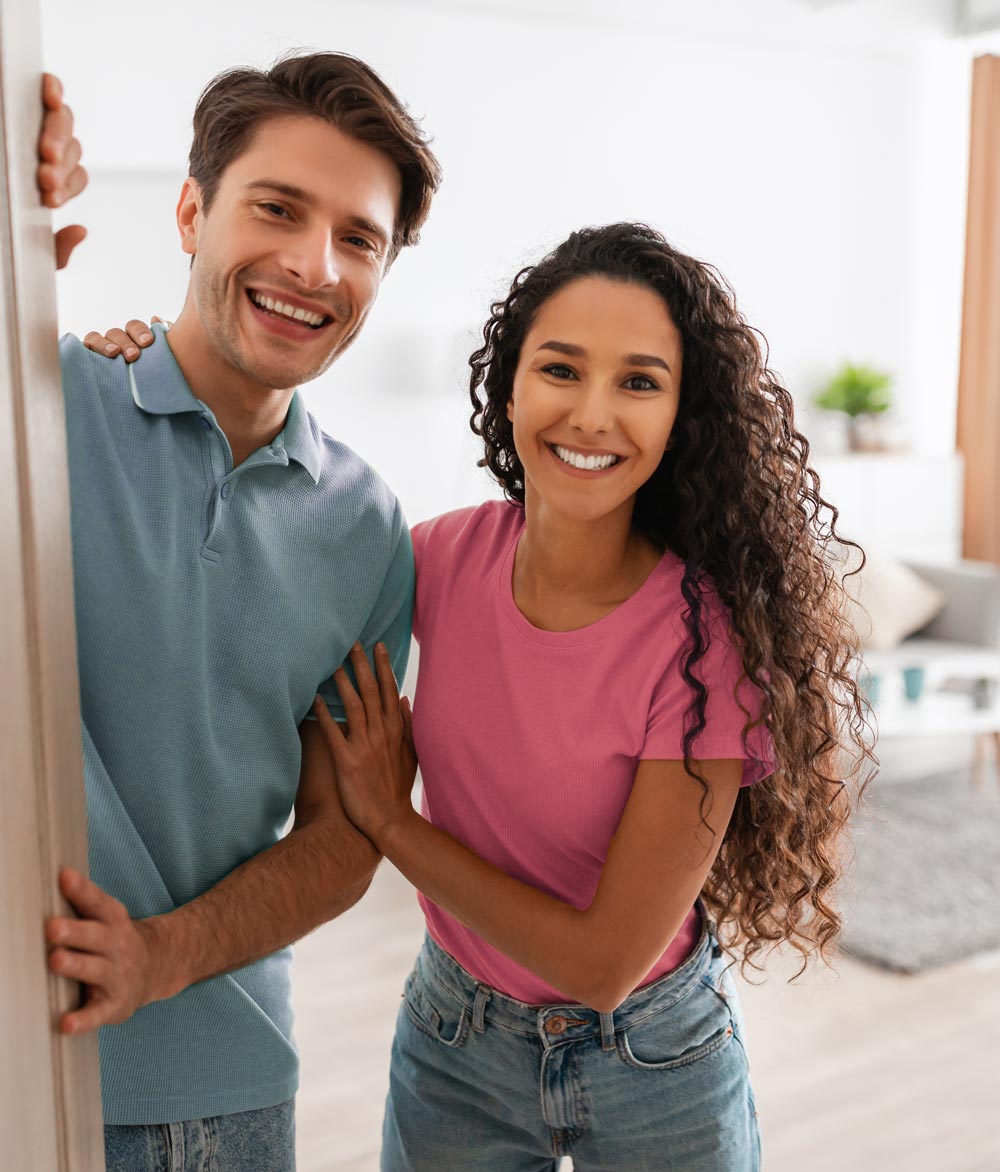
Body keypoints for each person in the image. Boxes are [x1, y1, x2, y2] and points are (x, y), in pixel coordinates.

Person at [304, 223, 873, 1170]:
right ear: (511, 385)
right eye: (561, 370)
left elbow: (603, 965)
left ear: (681, 417)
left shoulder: (704, 647)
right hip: (455, 1043)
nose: (593, 415)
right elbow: (282, 562)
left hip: (652, 1059)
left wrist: (392, 825)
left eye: (640, 382)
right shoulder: (437, 561)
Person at [34, 56, 441, 1171]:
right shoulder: (43, 409)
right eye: (276, 208)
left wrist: (159, 955)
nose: (314, 265)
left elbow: (343, 835)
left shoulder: (368, 529)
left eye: (358, 238)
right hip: (26, 1064)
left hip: (232, 1094)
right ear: (188, 212)